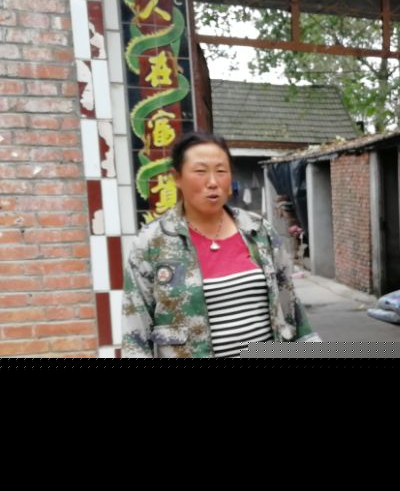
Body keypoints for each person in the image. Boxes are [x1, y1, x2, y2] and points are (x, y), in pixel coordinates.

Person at [122, 132, 320, 357]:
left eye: (221, 171)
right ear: (177, 177)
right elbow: (135, 334)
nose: (213, 182)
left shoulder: (258, 231)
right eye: (200, 171)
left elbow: (291, 307)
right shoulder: (151, 243)